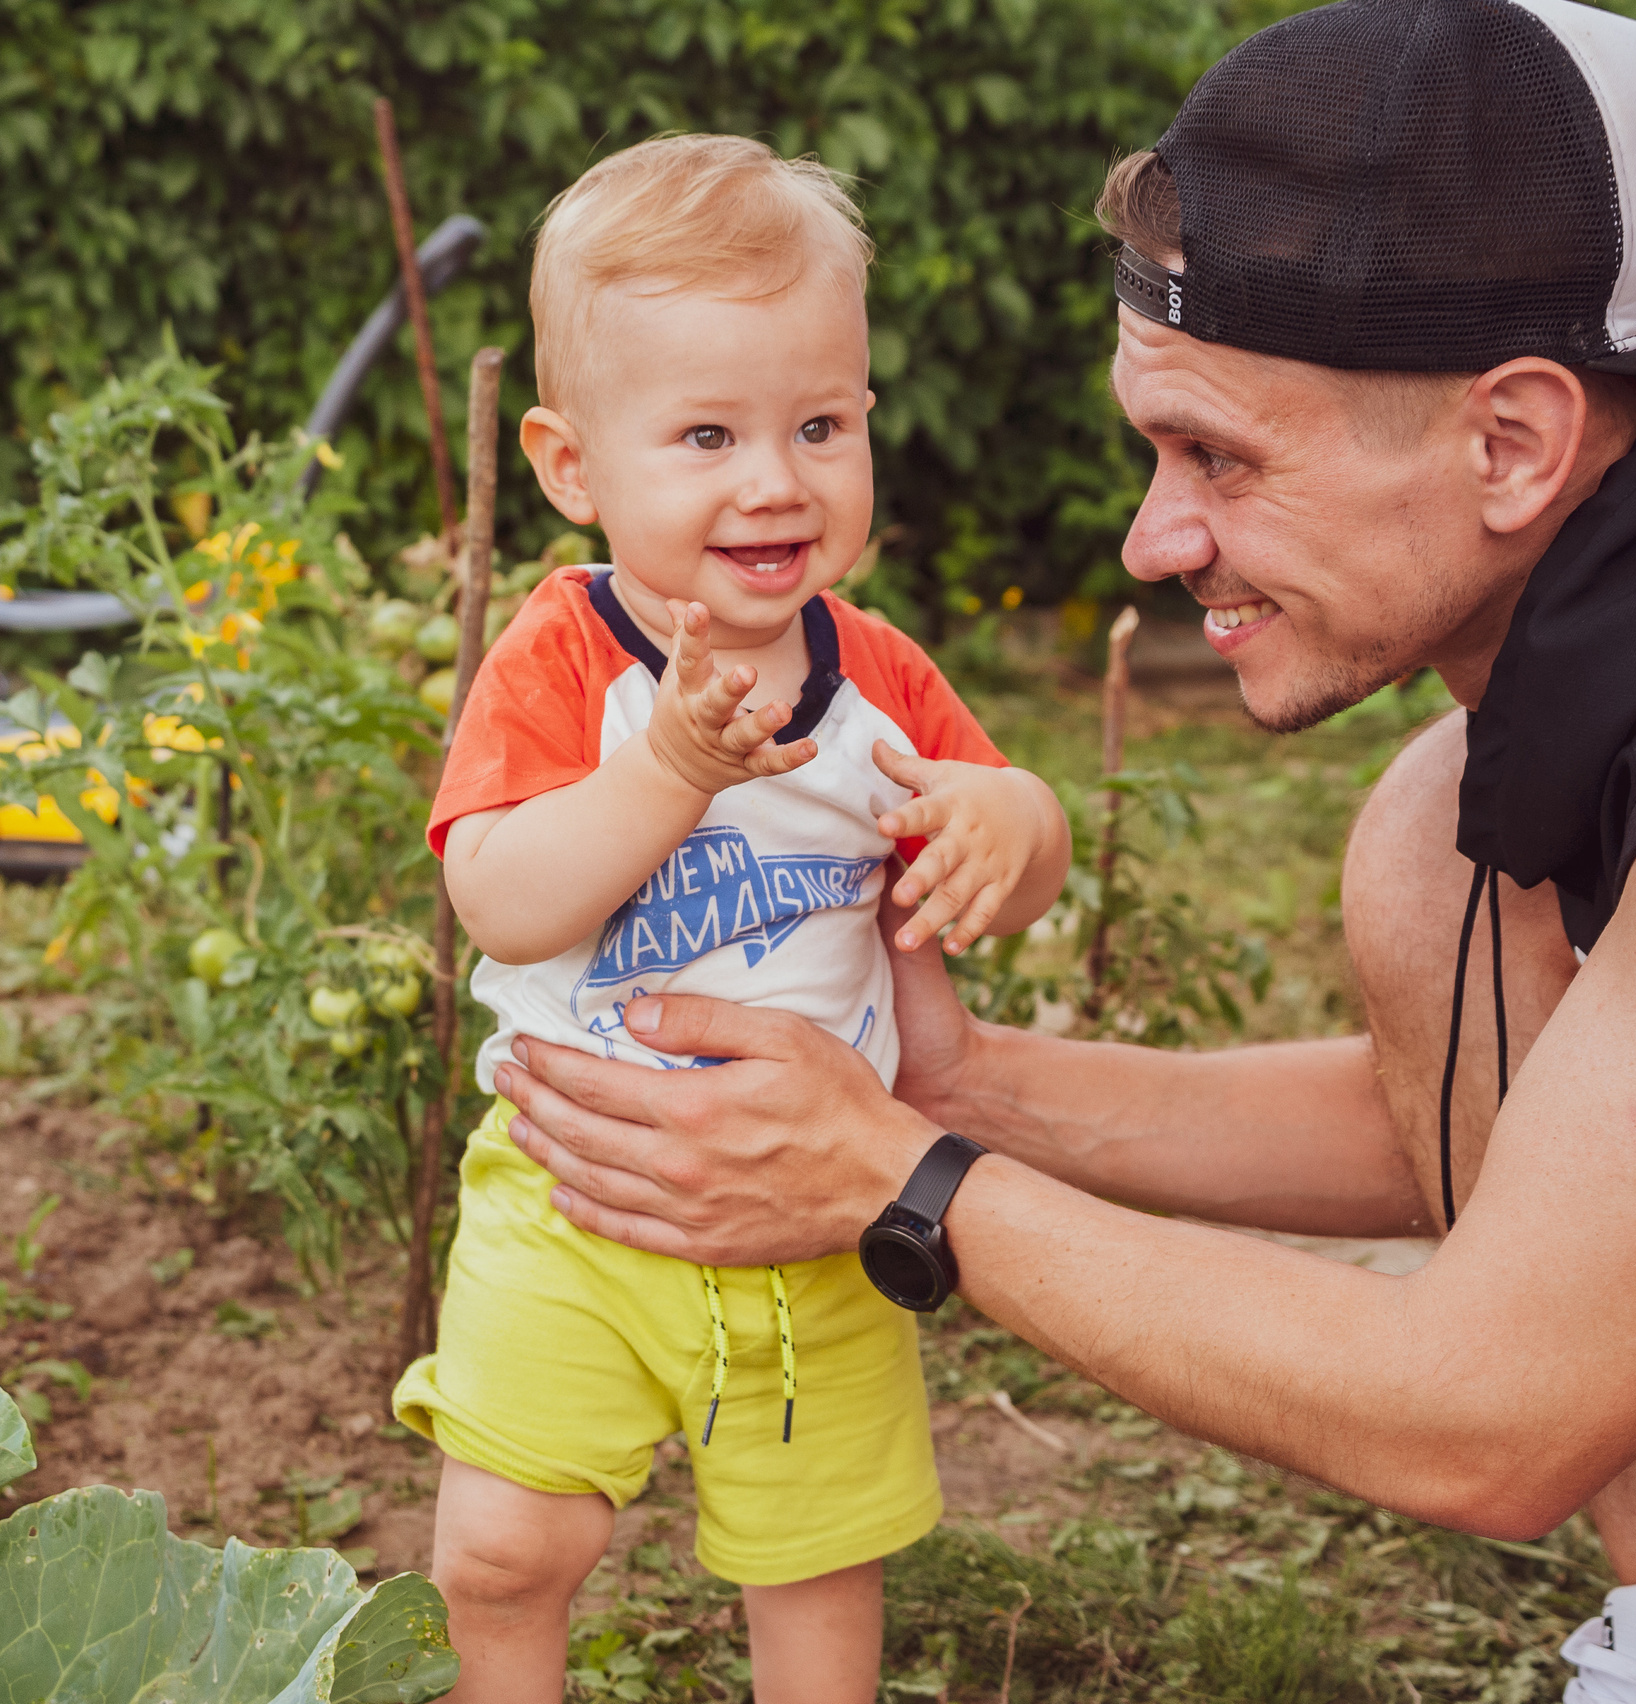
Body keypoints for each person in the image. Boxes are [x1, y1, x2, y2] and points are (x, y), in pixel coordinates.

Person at [480, 4, 1636, 1701]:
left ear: (1514, 438)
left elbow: (1490, 1412)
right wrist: (951, 1088)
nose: (1157, 540)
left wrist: (900, 1189)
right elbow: (1571, 1149)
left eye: (1220, 454)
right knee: (1439, 856)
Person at [391, 134, 1071, 1702]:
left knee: (816, 1570)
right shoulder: (563, 659)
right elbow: (497, 899)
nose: (776, 480)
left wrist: (1011, 822)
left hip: (818, 1227)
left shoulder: (878, 673)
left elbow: (1015, 844)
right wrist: (671, 769)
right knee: (501, 1550)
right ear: (573, 467)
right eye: (706, 434)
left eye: (819, 425)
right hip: (574, 1198)